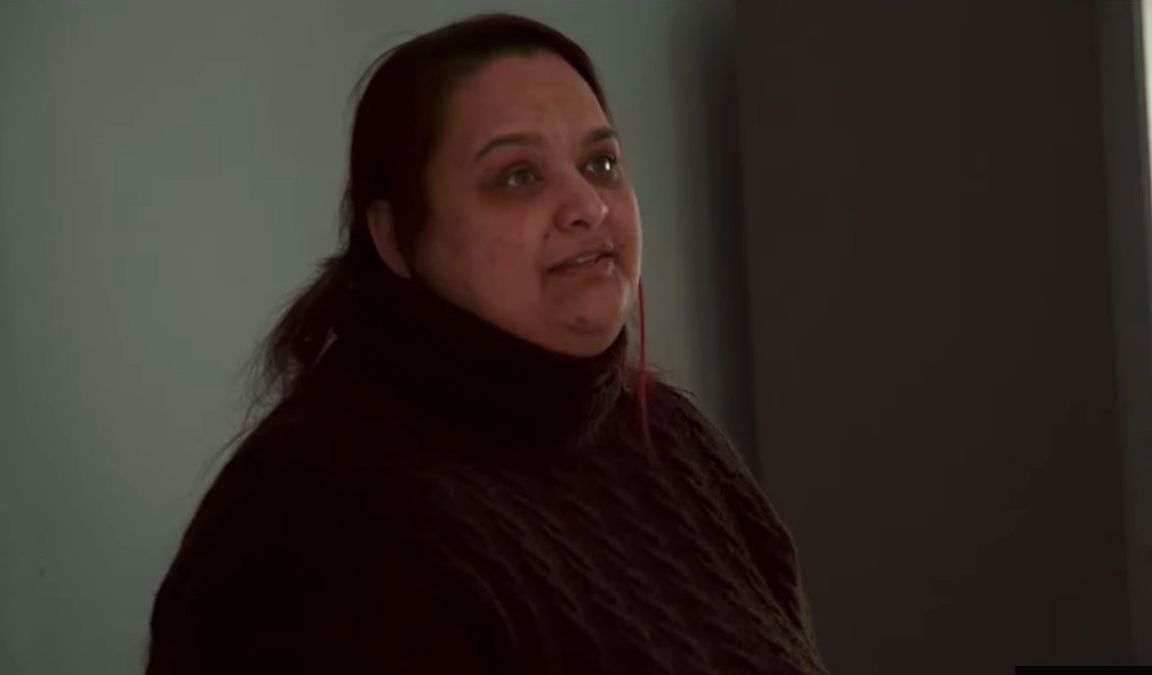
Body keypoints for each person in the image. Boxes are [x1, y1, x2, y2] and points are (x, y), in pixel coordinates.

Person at [145, 13, 828, 675]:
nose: (588, 206)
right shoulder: (315, 527)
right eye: (518, 176)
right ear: (396, 238)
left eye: (601, 163)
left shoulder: (672, 440)